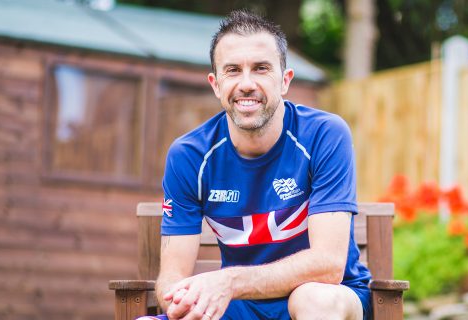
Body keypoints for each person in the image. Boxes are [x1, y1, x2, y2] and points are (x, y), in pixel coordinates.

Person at [145, 10, 371, 320]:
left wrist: (229, 281)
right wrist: (180, 302)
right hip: (238, 306)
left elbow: (329, 266)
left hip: (327, 296)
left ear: (284, 81)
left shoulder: (324, 134)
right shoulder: (189, 155)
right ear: (215, 84)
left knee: (311, 300)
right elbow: (171, 279)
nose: (246, 84)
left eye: (261, 68)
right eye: (233, 70)